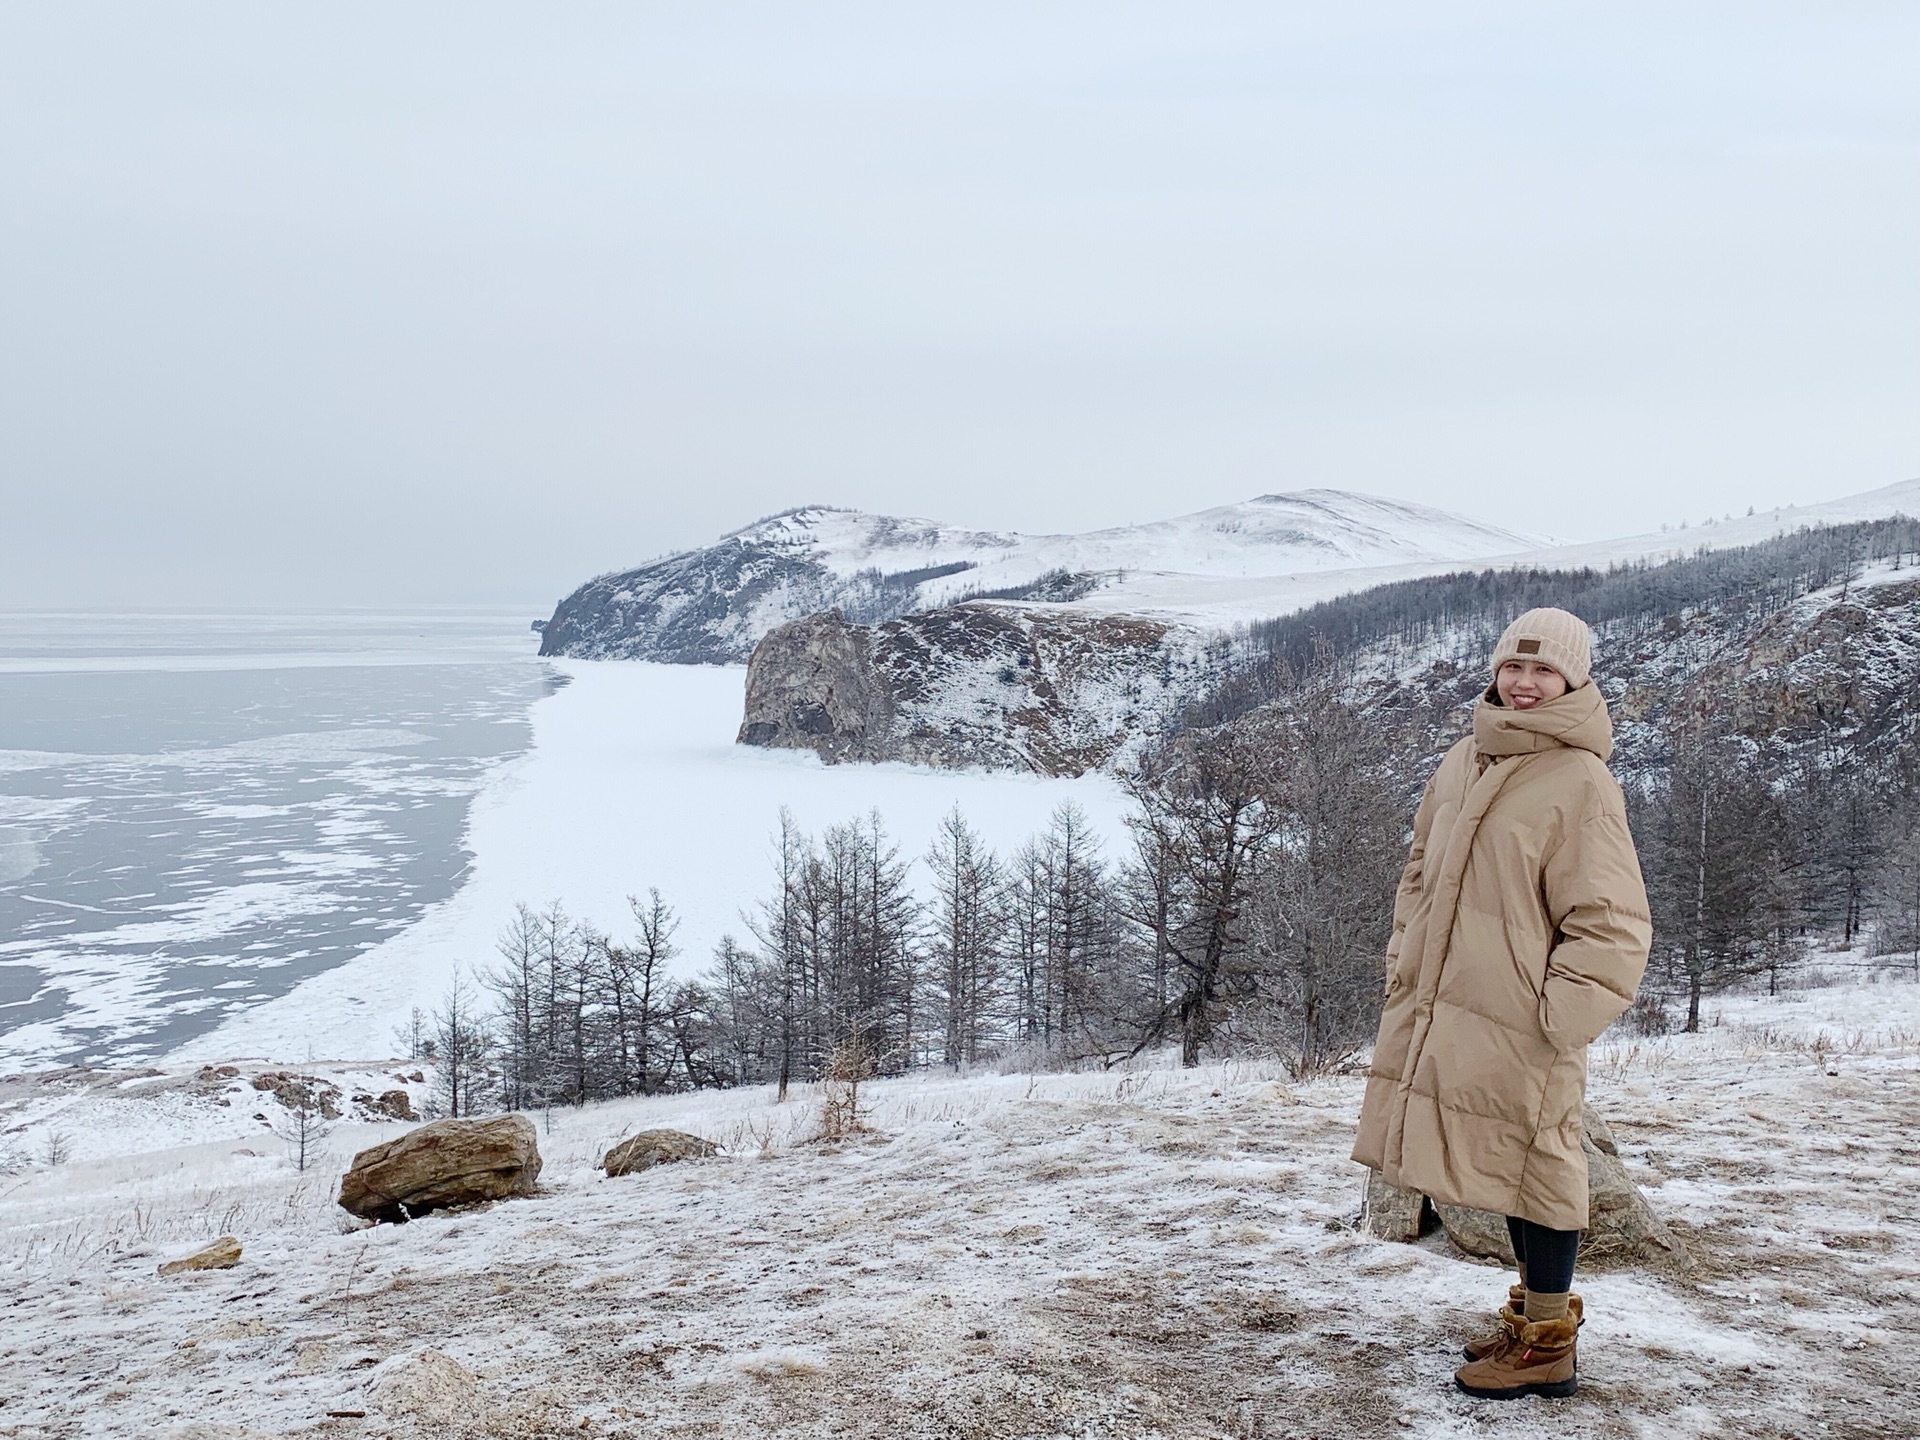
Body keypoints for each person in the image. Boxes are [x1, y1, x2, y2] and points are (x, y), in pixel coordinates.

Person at [1351, 607, 1651, 1400]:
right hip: (1448, 1006)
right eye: (1513, 668)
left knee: (1543, 1164)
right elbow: (1419, 870)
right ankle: (1530, 1321)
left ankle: (1549, 1343)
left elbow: (1612, 924)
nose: (1524, 684)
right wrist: (1402, 961)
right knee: (1509, 1169)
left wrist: (1558, 1018)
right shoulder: (1464, 758)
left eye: (1543, 670)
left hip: (1526, 1019)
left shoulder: (1582, 779)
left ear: (1573, 680)